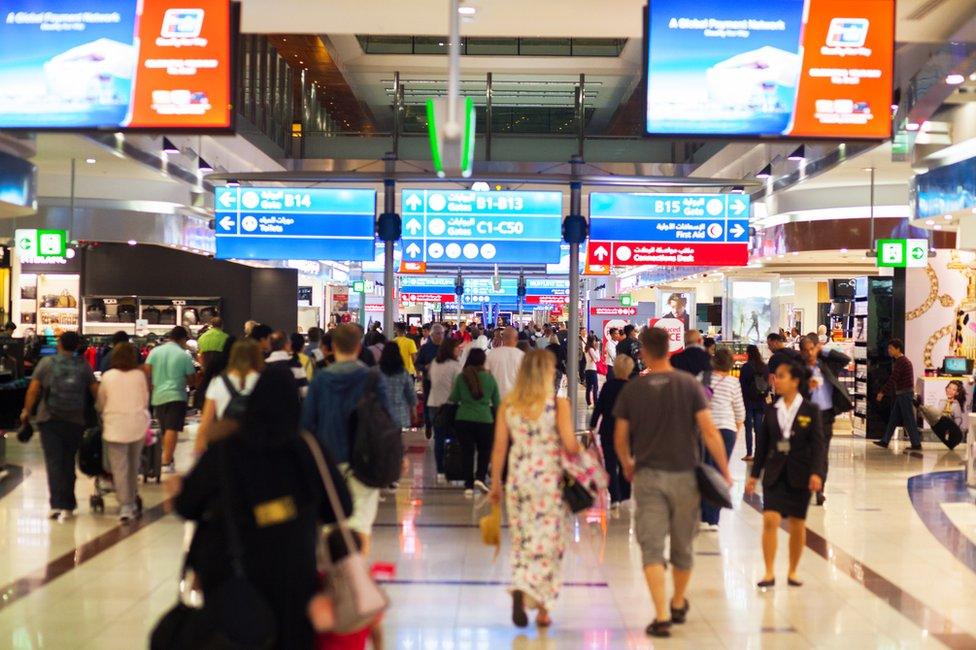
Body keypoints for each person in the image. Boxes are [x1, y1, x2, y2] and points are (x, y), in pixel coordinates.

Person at [176, 365, 352, 650]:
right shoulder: (308, 449)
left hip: (231, 571)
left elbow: (187, 506)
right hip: (294, 573)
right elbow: (341, 507)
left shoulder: (226, 450)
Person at [612, 327, 732, 638]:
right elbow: (709, 431)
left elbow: (620, 436)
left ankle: (662, 615)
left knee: (651, 545)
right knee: (683, 545)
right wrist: (724, 470)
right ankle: (678, 600)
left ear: (644, 352)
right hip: (685, 477)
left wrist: (627, 463)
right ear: (670, 348)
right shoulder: (688, 385)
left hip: (648, 476)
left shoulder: (634, 389)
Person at [489, 350, 580, 629]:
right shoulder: (558, 404)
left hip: (519, 479)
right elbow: (569, 444)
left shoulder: (509, 405)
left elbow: (500, 448)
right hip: (549, 481)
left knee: (523, 540)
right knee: (549, 544)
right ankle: (542, 609)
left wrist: (495, 485)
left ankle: (520, 585)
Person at [303, 323, 390, 552]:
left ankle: (335, 579)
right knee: (361, 524)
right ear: (359, 347)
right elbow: (386, 420)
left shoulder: (321, 380)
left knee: (330, 523)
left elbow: (307, 423)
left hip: (328, 459)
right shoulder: (373, 378)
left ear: (332, 347)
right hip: (365, 459)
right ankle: (358, 575)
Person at [746, 360, 825, 589]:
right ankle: (769, 572)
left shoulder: (810, 410)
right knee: (770, 520)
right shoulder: (772, 410)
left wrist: (817, 473)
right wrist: (754, 475)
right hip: (774, 473)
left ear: (795, 381)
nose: (775, 380)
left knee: (797, 524)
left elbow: (818, 445)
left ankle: (792, 571)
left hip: (801, 473)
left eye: (781, 376)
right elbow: (763, 445)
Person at [21, 331, 98, 521]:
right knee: (68, 461)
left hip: (49, 419)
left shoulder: (47, 363)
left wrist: (26, 411)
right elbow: (96, 392)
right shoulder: (84, 366)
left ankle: (56, 505)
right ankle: (69, 505)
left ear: (60, 344)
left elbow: (33, 389)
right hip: (75, 420)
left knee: (54, 462)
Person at [96, 342, 149, 522]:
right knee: (134, 466)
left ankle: (125, 505)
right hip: (137, 425)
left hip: (115, 426)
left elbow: (101, 401)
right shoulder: (139, 376)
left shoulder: (108, 376)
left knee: (120, 468)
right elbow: (145, 400)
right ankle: (132, 498)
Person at [800, 336, 852, 505]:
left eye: (812, 349)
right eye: (806, 350)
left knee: (822, 453)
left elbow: (845, 359)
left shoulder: (826, 365)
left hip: (826, 415)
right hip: (806, 416)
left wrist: (824, 350)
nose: (809, 353)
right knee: (806, 452)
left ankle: (820, 489)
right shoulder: (798, 369)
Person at [700, 348, 744, 531]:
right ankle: (713, 518)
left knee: (704, 470)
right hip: (727, 430)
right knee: (719, 472)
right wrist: (736, 431)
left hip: (704, 429)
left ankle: (703, 514)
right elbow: (740, 412)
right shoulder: (733, 382)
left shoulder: (703, 378)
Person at [194, 339, 264, 455]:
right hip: (256, 445)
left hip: (225, 445)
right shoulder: (263, 381)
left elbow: (206, 421)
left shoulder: (219, 382)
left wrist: (199, 450)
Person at [145, 326, 196, 474]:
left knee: (164, 428)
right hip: (177, 396)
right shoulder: (183, 355)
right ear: (182, 339)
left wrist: (151, 387)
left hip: (158, 396)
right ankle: (166, 461)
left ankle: (167, 458)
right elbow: (192, 380)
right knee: (172, 429)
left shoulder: (155, 351)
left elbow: (147, 371)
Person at [450, 348, 500, 496]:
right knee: (485, 451)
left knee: (467, 452)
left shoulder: (461, 377)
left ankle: (468, 486)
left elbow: (454, 398)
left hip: (463, 419)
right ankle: (480, 476)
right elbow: (497, 402)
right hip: (485, 419)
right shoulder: (490, 378)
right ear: (483, 361)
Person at [589, 354, 635, 508]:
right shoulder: (632, 387)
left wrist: (593, 424)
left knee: (610, 463)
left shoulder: (608, 386)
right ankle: (625, 495)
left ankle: (614, 496)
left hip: (608, 429)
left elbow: (599, 406)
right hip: (628, 432)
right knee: (625, 463)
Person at [873, 339, 922, 451]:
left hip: (905, 394)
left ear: (898, 349)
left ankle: (916, 443)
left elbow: (893, 379)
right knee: (894, 419)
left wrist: (882, 392)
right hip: (902, 393)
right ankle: (885, 441)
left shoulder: (901, 362)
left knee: (908, 419)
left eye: (891, 348)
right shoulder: (902, 361)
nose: (889, 350)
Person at [428, 338, 461, 481]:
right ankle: (452, 467)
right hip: (450, 405)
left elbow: (430, 380)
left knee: (439, 438)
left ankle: (440, 470)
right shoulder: (455, 366)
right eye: (457, 348)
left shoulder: (434, 363)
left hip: (434, 403)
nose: (459, 350)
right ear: (450, 349)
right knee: (453, 438)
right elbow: (458, 386)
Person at [739, 344, 769, 461]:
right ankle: (759, 454)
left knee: (748, 429)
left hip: (748, 402)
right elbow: (767, 383)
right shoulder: (764, 367)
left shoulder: (746, 367)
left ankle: (749, 453)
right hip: (761, 401)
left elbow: (742, 384)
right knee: (759, 429)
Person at [379, 341, 417, 430]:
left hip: (380, 414)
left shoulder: (376, 372)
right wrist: (413, 411)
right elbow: (410, 393)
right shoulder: (403, 373)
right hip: (399, 415)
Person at [415, 324, 444, 439]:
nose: (441, 336)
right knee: (428, 403)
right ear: (432, 335)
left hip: (443, 382)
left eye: (442, 333)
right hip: (429, 381)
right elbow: (417, 364)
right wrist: (424, 367)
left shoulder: (446, 347)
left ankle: (440, 426)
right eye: (438, 334)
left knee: (442, 404)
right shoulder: (425, 348)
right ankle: (428, 424)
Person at [265, 331, 309, 398]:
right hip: (291, 406)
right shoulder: (295, 364)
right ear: (287, 345)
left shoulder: (263, 365)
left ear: (270, 345)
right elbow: (304, 392)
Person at [486, 327, 525, 398]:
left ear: (503, 338)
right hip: (514, 397)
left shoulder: (492, 354)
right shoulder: (522, 355)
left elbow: (486, 375)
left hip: (495, 397)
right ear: (516, 339)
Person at [584, 335, 600, 406]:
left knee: (589, 387)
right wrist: (597, 349)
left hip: (587, 369)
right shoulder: (592, 349)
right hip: (592, 369)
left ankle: (588, 402)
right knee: (595, 386)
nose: (595, 342)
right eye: (594, 340)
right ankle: (596, 402)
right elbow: (597, 359)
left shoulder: (586, 349)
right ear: (592, 341)